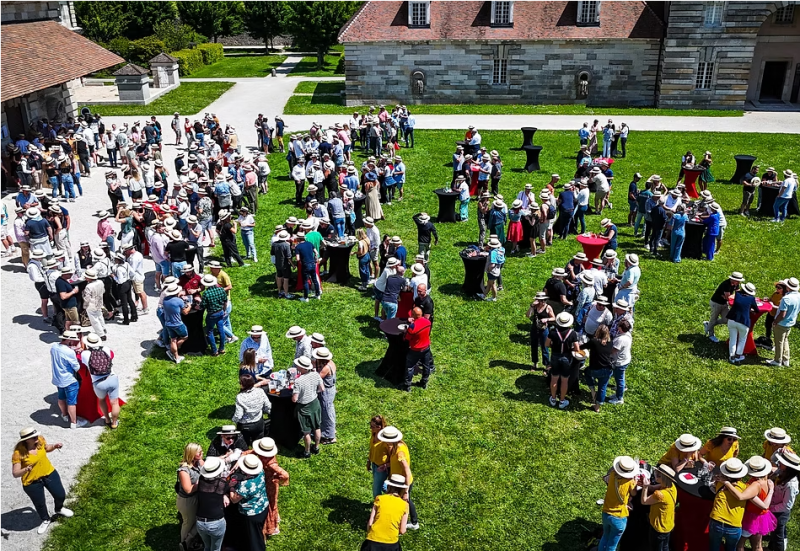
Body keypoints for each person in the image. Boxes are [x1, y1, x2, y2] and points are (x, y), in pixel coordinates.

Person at [11, 427, 73, 534]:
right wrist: (25, 469)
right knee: (39, 504)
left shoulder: (40, 440)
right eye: (33, 437)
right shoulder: (19, 453)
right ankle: (45, 519)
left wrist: (54, 446)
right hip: (32, 481)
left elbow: (46, 448)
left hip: (49, 473)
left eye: (36, 435)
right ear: (26, 440)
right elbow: (15, 473)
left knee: (60, 494)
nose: (36, 437)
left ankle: (59, 508)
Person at [708, 458, 762, 551]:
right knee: (731, 548)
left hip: (716, 521)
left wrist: (723, 481)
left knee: (714, 547)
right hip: (734, 526)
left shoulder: (719, 484)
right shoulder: (745, 488)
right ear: (740, 476)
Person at [378, 426, 419, 530]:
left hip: (402, 482)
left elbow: (407, 470)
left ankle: (414, 523)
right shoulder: (396, 446)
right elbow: (395, 462)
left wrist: (406, 489)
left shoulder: (400, 452)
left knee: (405, 501)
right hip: (396, 480)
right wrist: (386, 465)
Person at [598, 455, 639, 551]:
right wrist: (635, 481)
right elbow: (633, 493)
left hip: (606, 513)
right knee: (612, 545)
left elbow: (606, 478)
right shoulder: (630, 481)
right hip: (619, 517)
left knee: (605, 537)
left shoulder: (612, 475)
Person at [80, 333, 120, 428]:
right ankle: (114, 423)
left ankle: (107, 419)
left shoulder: (85, 354)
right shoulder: (106, 349)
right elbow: (111, 355)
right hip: (112, 378)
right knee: (114, 402)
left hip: (98, 383)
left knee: (102, 400)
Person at [230, 454, 269, 551]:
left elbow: (234, 500)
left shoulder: (245, 485)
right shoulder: (260, 472)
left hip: (251, 514)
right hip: (263, 506)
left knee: (254, 540)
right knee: (257, 532)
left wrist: (231, 487)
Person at [362, 474, 410, 551]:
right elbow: (402, 530)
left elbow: (370, 523)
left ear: (388, 486)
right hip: (391, 543)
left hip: (373, 540)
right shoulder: (405, 505)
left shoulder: (379, 499)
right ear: (402, 490)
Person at [51, 331, 87, 429]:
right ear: (69, 340)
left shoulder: (53, 347)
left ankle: (65, 415)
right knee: (71, 402)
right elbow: (76, 367)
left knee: (61, 397)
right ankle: (74, 423)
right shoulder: (69, 352)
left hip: (58, 378)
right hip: (69, 380)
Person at [545, 312, 581, 409]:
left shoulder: (553, 332)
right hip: (566, 357)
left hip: (555, 356)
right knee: (564, 380)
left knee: (554, 377)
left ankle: (553, 398)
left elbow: (547, 344)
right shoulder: (572, 333)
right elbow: (577, 348)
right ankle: (561, 400)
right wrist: (571, 349)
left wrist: (554, 346)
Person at [195, 456, 230, 551]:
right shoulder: (221, 483)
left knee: (207, 547)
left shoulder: (201, 480)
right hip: (216, 523)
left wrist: (222, 495)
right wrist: (225, 495)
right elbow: (227, 488)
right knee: (215, 549)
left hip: (200, 522)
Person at [292, 356, 324, 458]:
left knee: (306, 431)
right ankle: (316, 447)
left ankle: (307, 452)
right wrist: (313, 392)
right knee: (317, 427)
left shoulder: (298, 381)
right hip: (315, 403)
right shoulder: (315, 374)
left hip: (304, 407)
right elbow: (322, 389)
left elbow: (294, 399)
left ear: (302, 368)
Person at [640, 465, 677, 551]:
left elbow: (644, 501)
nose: (655, 475)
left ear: (662, 478)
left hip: (658, 528)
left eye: (657, 474)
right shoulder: (671, 487)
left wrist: (645, 487)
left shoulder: (660, 495)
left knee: (656, 548)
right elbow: (653, 487)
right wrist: (645, 485)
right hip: (667, 525)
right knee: (665, 547)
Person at [769, 449, 800, 551]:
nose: (779, 463)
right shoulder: (781, 471)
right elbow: (772, 459)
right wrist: (778, 450)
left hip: (780, 513)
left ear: (788, 467)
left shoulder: (791, 484)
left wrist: (770, 508)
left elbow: (787, 505)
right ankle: (771, 548)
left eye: (782, 462)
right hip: (775, 508)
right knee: (774, 533)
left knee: (778, 536)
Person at [580, 324, 613, 412]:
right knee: (602, 387)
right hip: (608, 369)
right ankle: (597, 407)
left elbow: (582, 347)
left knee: (587, 372)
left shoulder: (594, 341)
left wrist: (574, 347)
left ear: (597, 332)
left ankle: (593, 391)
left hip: (596, 369)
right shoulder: (610, 342)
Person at [175, 442, 203, 549]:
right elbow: (188, 490)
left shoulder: (198, 462)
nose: (202, 453)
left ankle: (191, 540)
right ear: (192, 454)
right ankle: (184, 544)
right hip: (188, 501)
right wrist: (202, 482)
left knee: (198, 519)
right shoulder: (184, 471)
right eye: (199, 452)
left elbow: (207, 468)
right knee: (189, 523)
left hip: (197, 497)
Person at [767, 277, 799, 368]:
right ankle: (786, 359)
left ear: (788, 287)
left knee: (779, 342)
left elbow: (782, 314)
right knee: (785, 340)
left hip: (781, 323)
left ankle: (777, 360)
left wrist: (775, 322)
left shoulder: (786, 298)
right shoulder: (798, 296)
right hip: (791, 322)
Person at [232, 374, 271, 446]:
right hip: (259, 423)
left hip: (245, 426)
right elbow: (268, 406)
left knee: (244, 445)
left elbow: (239, 415)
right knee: (259, 444)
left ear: (243, 385)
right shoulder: (260, 391)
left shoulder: (240, 397)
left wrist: (234, 421)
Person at [705, 272, 744, 343]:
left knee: (726, 319)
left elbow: (738, 294)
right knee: (713, 318)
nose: (739, 282)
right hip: (716, 303)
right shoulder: (726, 284)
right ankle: (711, 335)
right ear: (732, 279)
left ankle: (709, 324)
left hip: (724, 304)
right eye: (737, 281)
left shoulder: (736, 284)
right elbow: (728, 297)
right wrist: (731, 296)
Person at [726, 282, 760, 364]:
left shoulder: (737, 294)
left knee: (733, 339)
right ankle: (738, 355)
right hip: (743, 322)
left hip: (732, 319)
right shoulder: (751, 299)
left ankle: (732, 356)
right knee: (742, 339)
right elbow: (756, 310)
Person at [402, 307, 434, 392]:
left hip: (415, 350)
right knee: (426, 366)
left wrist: (406, 330)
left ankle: (407, 385)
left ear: (413, 315)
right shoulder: (428, 322)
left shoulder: (412, 327)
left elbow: (407, 338)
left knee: (410, 367)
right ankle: (424, 382)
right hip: (426, 347)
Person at [312, 347, 338, 444]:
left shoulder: (327, 367)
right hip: (328, 389)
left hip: (326, 392)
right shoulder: (329, 363)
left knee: (326, 412)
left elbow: (317, 378)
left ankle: (329, 436)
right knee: (327, 410)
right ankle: (329, 430)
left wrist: (313, 368)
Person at [160, 283, 191, 363]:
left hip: (168, 323)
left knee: (173, 339)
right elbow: (185, 312)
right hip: (178, 323)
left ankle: (176, 357)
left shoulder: (165, 300)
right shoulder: (179, 301)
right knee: (185, 337)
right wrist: (189, 305)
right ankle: (172, 350)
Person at [200, 274, 228, 357]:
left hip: (212, 315)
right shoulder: (221, 290)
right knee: (221, 330)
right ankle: (222, 349)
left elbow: (202, 306)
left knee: (209, 332)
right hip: (220, 312)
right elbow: (225, 301)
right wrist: (224, 310)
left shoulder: (206, 294)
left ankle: (214, 351)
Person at [367, 415, 390, 499]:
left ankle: (378, 508)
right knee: (379, 484)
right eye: (370, 425)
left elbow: (392, 456)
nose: (370, 428)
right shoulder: (374, 434)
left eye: (372, 426)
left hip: (382, 468)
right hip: (374, 464)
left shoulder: (386, 440)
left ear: (379, 427)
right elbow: (372, 449)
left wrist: (385, 466)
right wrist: (369, 461)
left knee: (376, 490)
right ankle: (392, 492)